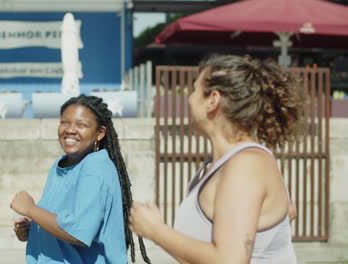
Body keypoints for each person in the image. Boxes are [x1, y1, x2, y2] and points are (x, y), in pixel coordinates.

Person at [129, 55, 306, 264]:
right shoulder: (222, 164)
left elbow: (230, 260)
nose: (189, 98)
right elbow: (287, 211)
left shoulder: (246, 165)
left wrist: (156, 231)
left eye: (194, 89)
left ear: (213, 100)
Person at [10, 94, 150, 264]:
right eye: (64, 122)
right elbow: (64, 219)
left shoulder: (95, 168)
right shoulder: (60, 165)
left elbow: (78, 231)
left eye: (82, 125)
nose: (70, 129)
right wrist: (35, 229)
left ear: (100, 133)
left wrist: (31, 210)